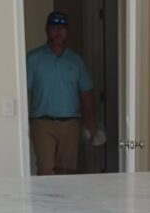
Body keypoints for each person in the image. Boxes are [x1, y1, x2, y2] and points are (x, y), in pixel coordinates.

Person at [26, 11, 97, 175]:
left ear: (67, 32)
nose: (58, 32)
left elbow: (86, 92)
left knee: (67, 172)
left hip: (70, 124)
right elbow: (23, 91)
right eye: (54, 27)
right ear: (47, 30)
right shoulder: (33, 59)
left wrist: (91, 122)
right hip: (42, 123)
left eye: (62, 28)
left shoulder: (76, 61)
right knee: (45, 169)